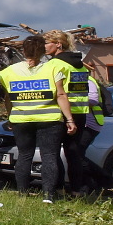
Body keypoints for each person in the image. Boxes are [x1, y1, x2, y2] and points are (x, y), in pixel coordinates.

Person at [0, 35, 76, 203]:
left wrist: (11, 117)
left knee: (25, 155)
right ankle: (48, 195)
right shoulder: (53, 69)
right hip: (50, 119)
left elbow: (8, 98)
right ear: (42, 51)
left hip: (21, 119)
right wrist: (69, 119)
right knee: (50, 156)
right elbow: (61, 95)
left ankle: (22, 194)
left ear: (23, 50)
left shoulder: (7, 72)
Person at [46, 33, 106, 195]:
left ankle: (57, 189)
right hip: (80, 113)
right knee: (74, 154)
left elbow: (54, 91)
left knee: (52, 152)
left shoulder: (55, 65)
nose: (44, 46)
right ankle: (77, 190)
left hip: (61, 112)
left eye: (47, 42)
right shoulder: (79, 64)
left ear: (58, 44)